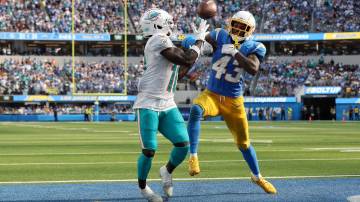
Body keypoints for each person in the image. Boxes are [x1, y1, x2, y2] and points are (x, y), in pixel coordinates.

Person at [184, 11, 276, 194]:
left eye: (243, 27)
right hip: (212, 94)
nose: (238, 29)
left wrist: (235, 52)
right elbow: (196, 42)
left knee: (244, 144)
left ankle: (257, 176)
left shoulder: (256, 46)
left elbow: (253, 68)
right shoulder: (220, 34)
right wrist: (196, 39)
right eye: (236, 24)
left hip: (233, 101)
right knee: (195, 109)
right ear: (230, 23)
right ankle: (193, 156)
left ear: (251, 30)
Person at [133, 8, 209, 202]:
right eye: (168, 22)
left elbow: (180, 71)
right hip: (149, 102)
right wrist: (199, 40)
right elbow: (187, 58)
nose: (172, 25)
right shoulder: (158, 39)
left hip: (167, 103)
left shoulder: (162, 43)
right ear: (158, 24)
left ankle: (166, 171)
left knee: (183, 145)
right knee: (149, 150)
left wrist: (194, 49)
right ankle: (143, 188)